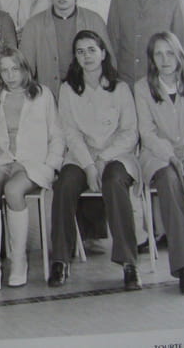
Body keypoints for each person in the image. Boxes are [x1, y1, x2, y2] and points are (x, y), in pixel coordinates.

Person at [49, 31, 141, 290]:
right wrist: (89, 165)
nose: (86, 56)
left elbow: (129, 132)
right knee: (64, 184)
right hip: (81, 156)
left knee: (114, 181)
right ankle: (60, 260)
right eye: (80, 51)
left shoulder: (120, 88)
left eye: (91, 50)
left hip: (116, 155)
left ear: (102, 54)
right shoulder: (67, 89)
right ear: (75, 57)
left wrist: (103, 159)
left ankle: (129, 263)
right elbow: (70, 132)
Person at [0, 47, 64, 298]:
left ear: (25, 69)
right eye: (4, 70)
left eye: (15, 69)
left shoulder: (42, 95)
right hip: (1, 160)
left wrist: (52, 164)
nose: (10, 75)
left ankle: (18, 261)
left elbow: (57, 135)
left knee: (13, 190)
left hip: (33, 162)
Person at [135, 31, 184, 295]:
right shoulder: (142, 88)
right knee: (168, 180)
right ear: (152, 59)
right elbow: (147, 132)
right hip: (158, 155)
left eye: (170, 53)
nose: (165, 60)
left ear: (179, 56)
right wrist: (171, 157)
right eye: (158, 54)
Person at [20, 0, 111, 100]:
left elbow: (109, 63)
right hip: (50, 96)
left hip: (90, 95)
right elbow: (24, 71)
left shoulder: (94, 20)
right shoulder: (33, 25)